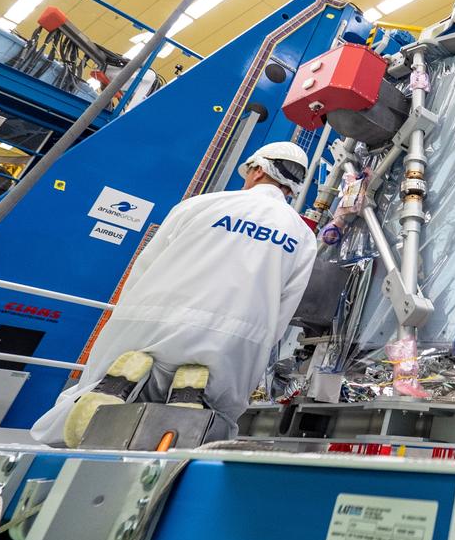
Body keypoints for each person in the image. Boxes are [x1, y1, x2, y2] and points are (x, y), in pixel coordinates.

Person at [32, 142, 317, 447]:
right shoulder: (303, 237)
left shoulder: (201, 205)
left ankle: (108, 395)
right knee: (212, 419)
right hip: (232, 340)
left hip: (153, 320)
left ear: (258, 170)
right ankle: (188, 398)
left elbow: (146, 265)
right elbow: (284, 308)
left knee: (94, 390)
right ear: (293, 186)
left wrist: (127, 313)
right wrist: (260, 345)